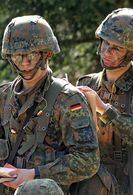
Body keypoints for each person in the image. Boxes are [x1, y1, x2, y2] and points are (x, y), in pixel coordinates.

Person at [73, 8, 133, 195]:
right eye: (105, 43)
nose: (107, 52)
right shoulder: (87, 83)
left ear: (132, 53)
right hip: (95, 183)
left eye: (116, 48)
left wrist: (104, 109)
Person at [0, 15, 100, 194]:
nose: (24, 62)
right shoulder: (4, 96)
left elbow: (88, 160)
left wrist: (34, 174)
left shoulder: (68, 99)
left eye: (31, 55)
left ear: (47, 53)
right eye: (17, 56)